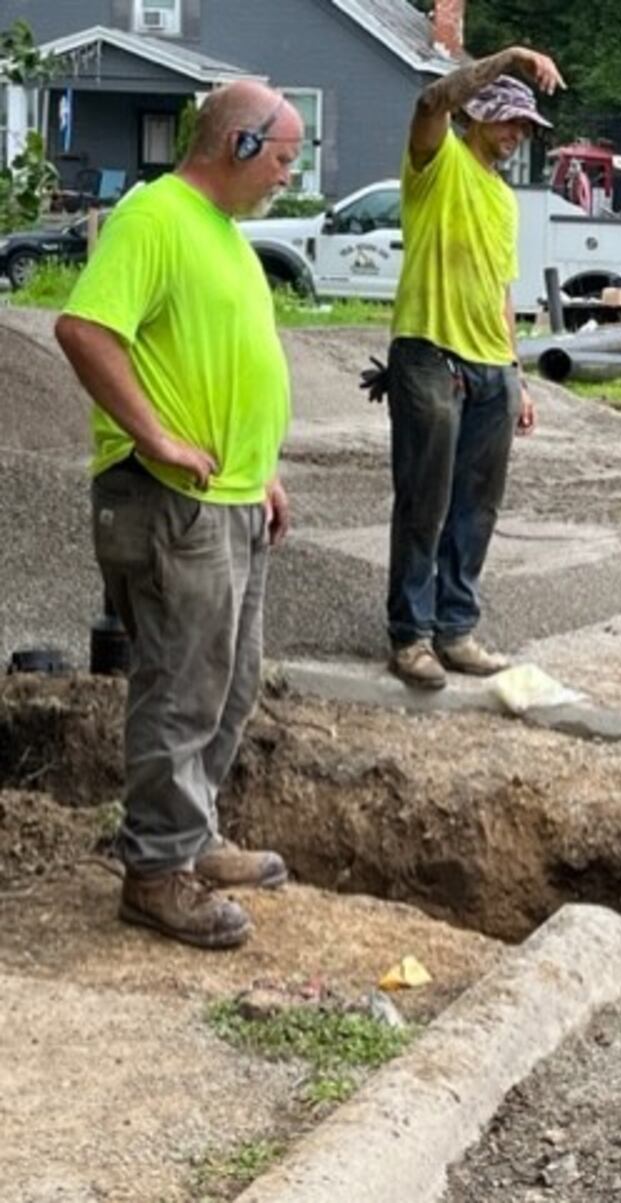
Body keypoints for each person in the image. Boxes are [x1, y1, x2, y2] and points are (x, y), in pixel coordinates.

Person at [54, 81, 302, 949]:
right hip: (169, 503)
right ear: (237, 146)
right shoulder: (155, 218)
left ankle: (191, 839)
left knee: (229, 684)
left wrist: (258, 470)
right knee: (180, 687)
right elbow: (86, 330)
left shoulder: (224, 236)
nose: (287, 176)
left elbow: (221, 358)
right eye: (281, 158)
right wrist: (156, 437)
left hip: (231, 498)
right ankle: (157, 872)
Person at [383, 46, 564, 690]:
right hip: (430, 352)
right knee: (424, 501)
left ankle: (455, 630)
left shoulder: (503, 199)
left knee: (476, 509)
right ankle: (411, 637)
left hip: (492, 365)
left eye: (526, 127)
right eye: (510, 121)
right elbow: (430, 101)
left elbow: (501, 290)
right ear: (479, 117)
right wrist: (509, 59)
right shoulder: (437, 163)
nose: (518, 135)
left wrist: (517, 375)